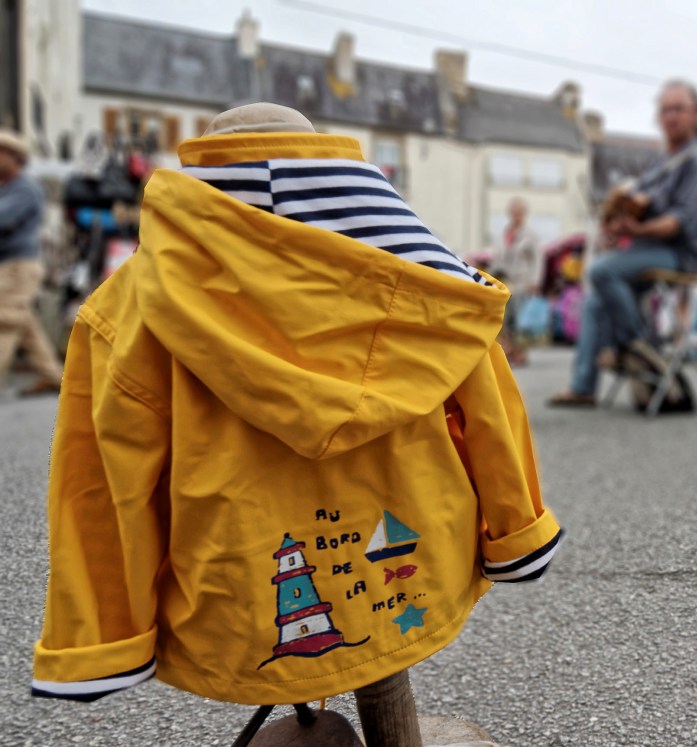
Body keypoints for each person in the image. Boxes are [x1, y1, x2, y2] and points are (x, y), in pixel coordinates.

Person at [32, 103, 562, 704]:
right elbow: (489, 409)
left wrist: (104, 638)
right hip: (416, 576)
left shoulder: (126, 309)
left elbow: (99, 485)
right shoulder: (425, 279)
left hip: (241, 611)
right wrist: (517, 532)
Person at [549, 80, 697, 407]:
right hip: (650, 249)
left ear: (696, 114)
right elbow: (639, 203)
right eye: (666, 109)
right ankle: (584, 386)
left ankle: (637, 348)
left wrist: (636, 230)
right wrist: (618, 222)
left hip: (681, 253)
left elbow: (681, 223)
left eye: (679, 108)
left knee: (601, 272)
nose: (671, 116)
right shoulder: (661, 164)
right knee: (593, 301)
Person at [0, 129, 63, 396]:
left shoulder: (26, 189)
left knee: (4, 321)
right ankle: (54, 376)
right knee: (25, 325)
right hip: (11, 264)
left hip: (19, 265)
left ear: (15, 158)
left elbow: (3, 219)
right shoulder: (6, 188)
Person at [493, 197, 543, 366]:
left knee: (519, 319)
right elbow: (498, 257)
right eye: (514, 213)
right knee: (505, 318)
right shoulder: (504, 233)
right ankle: (508, 349)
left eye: (520, 213)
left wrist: (535, 281)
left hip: (522, 282)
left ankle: (519, 352)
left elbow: (537, 259)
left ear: (524, 214)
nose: (516, 216)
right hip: (505, 281)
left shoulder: (530, 235)